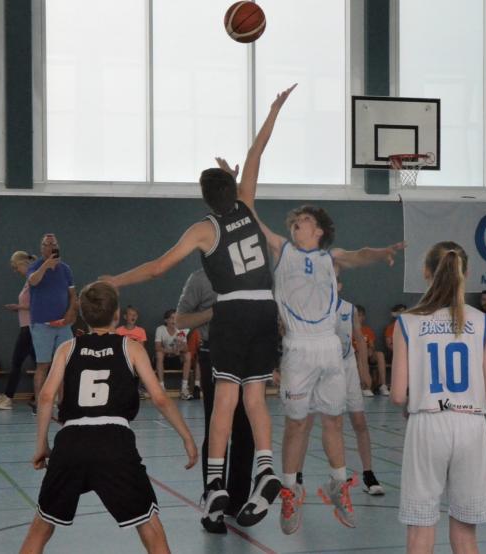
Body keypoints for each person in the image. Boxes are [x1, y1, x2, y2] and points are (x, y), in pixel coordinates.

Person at [101, 85, 297, 531]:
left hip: (231, 313)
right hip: (266, 310)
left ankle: (216, 486)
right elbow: (258, 148)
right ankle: (266, 471)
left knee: (225, 400)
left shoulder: (203, 229)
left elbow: (155, 269)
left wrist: (115, 279)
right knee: (255, 397)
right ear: (234, 186)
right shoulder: (247, 204)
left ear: (205, 198)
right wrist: (274, 108)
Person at [251, 200, 403, 534]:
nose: (297, 225)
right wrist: (239, 189)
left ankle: (338, 484)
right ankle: (290, 491)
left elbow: (360, 254)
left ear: (318, 230)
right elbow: (254, 219)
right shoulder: (283, 251)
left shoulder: (330, 258)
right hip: (297, 348)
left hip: (329, 348)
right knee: (296, 425)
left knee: (334, 421)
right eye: (295, 221)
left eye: (304, 220)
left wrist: (381, 252)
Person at [18, 281, 197, 554]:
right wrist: (187, 437)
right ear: (117, 315)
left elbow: (45, 397)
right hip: (115, 442)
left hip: (71, 442)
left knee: (40, 528)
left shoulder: (67, 348)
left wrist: (41, 444)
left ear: (82, 315)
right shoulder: (131, 347)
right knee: (150, 528)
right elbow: (159, 398)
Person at [390, 242, 486, 554]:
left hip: (427, 424)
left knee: (420, 530)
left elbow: (397, 394)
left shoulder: (407, 321)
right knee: (466, 533)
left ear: (426, 273)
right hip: (470, 426)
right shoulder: (482, 322)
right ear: (464, 274)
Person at [176, 268, 254, 533]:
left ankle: (239, 502)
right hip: (215, 355)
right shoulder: (199, 278)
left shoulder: (252, 274)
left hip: (247, 357)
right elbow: (181, 319)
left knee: (246, 431)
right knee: (217, 429)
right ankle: (214, 502)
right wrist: (214, 312)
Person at [294, 283, 387, 501]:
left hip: (347, 366)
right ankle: (296, 478)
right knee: (305, 423)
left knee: (359, 422)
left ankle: (369, 475)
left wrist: (364, 370)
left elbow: (360, 342)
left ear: (340, 285)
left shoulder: (349, 309)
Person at [27, 233, 77, 412]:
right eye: (46, 245)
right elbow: (33, 281)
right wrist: (47, 265)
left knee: (64, 364)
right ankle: (40, 403)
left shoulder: (66, 269)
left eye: (53, 244)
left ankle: (63, 402)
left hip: (63, 325)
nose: (50, 247)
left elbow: (73, 295)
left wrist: (71, 313)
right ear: (41, 248)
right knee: (43, 365)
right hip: (42, 324)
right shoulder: (34, 266)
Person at [0, 251, 37, 410]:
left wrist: (19, 307)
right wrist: (19, 308)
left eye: (16, 267)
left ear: (24, 264)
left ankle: (8, 398)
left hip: (30, 328)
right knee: (41, 364)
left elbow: (38, 304)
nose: (15, 270)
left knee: (16, 362)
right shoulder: (28, 281)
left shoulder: (34, 280)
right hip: (27, 326)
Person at [154, 309, 192, 399]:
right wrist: (171, 351)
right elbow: (157, 347)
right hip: (165, 359)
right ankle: (161, 388)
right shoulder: (160, 329)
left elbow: (186, 349)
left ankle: (184, 389)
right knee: (159, 354)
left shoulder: (182, 330)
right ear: (166, 320)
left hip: (177, 359)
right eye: (172, 318)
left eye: (176, 318)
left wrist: (180, 345)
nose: (174, 321)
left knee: (188, 355)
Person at [354, 305, 383, 397]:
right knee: (360, 355)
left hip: (368, 354)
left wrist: (370, 350)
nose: (360, 318)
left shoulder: (367, 329)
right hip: (355, 355)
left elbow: (372, 345)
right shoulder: (349, 329)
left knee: (380, 354)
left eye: (362, 315)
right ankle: (364, 386)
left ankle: (382, 385)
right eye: (358, 315)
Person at [381, 304, 407, 396]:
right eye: (399, 311)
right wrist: (400, 351)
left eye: (404, 311)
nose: (402, 313)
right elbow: (389, 344)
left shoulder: (409, 326)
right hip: (395, 353)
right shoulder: (391, 327)